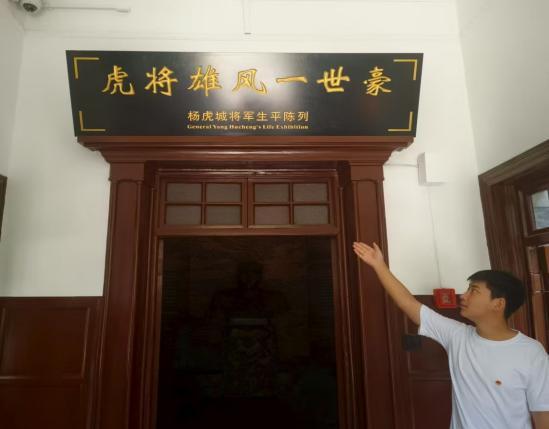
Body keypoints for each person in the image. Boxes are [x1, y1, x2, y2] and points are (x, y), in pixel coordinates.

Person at [352, 241, 549, 429]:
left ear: (498, 304)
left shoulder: (531, 352)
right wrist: (379, 265)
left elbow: (543, 414)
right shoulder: (457, 336)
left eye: (473, 291)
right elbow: (408, 303)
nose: (463, 296)